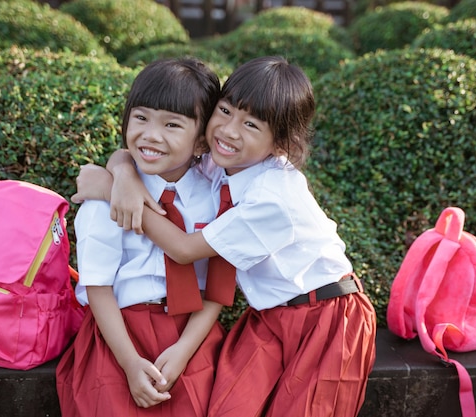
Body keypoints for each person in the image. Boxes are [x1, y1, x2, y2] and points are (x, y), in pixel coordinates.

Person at [73, 56, 377, 417]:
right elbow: (147, 151)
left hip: (327, 316)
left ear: (280, 143)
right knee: (228, 408)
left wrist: (112, 192)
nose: (229, 130)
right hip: (268, 315)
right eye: (225, 110)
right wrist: (121, 172)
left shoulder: (273, 198)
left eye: (251, 124)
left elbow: (184, 250)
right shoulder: (221, 162)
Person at [56, 57, 226, 417]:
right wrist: (131, 363)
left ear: (201, 142)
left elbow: (217, 287)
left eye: (172, 124)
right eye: (141, 117)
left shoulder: (215, 195)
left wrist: (183, 351)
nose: (151, 134)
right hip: (119, 335)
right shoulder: (105, 200)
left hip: (191, 334)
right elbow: (98, 288)